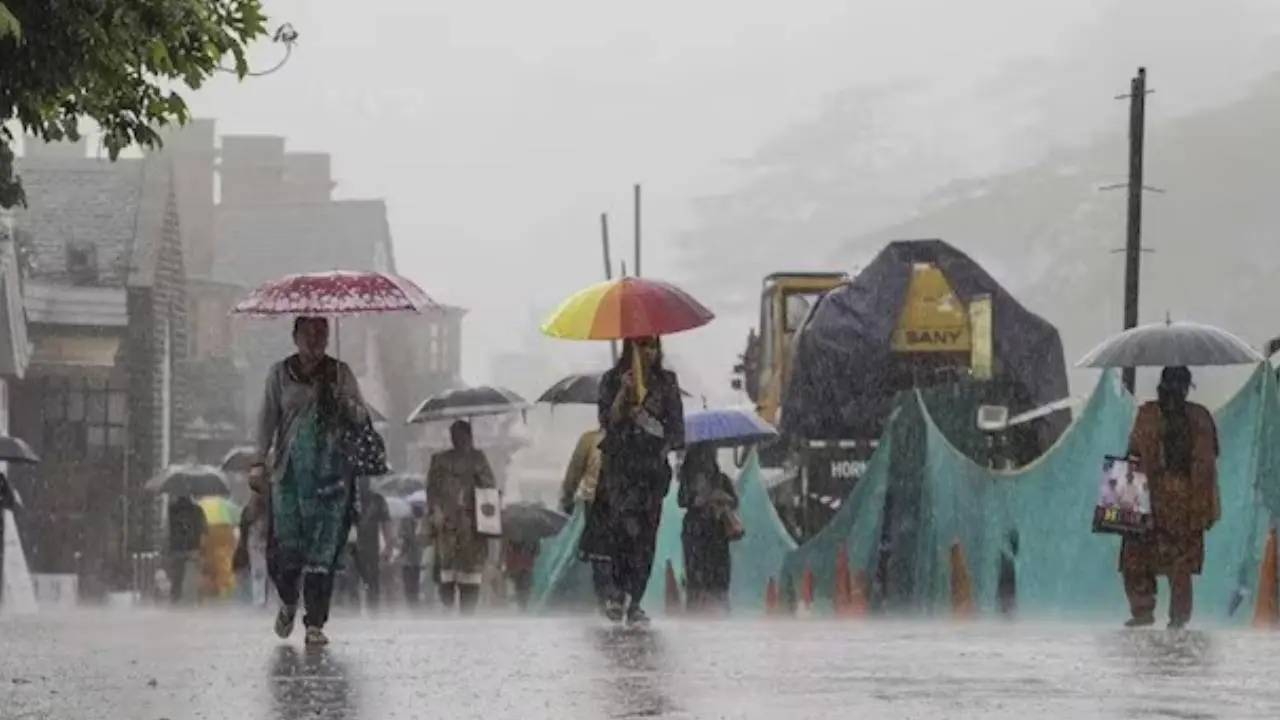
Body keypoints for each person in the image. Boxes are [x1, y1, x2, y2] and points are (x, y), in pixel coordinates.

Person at [250, 316, 368, 646]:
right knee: (286, 551)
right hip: (289, 475)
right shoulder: (279, 375)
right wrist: (259, 460)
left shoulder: (340, 374)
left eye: (322, 333)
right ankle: (288, 600)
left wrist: (343, 403)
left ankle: (315, 621)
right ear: (295, 336)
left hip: (330, 478)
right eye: (309, 334)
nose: (316, 340)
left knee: (323, 551)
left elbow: (362, 418)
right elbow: (266, 420)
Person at [581, 337, 685, 627]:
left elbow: (676, 431)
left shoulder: (666, 383)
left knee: (645, 539)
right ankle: (614, 595)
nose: (648, 353)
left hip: (650, 474)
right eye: (641, 346)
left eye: (652, 346)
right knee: (618, 533)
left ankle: (634, 599)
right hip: (619, 471)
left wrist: (655, 435)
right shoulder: (613, 380)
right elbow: (607, 422)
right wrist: (623, 396)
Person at [1120, 366, 1219, 629]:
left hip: (1159, 496)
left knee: (1147, 555)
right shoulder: (1196, 418)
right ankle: (1171, 616)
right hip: (1173, 497)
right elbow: (1207, 461)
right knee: (1171, 559)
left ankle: (1148, 611)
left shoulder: (1151, 415)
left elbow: (1133, 452)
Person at [427, 420, 497, 614]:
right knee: (446, 571)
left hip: (471, 526)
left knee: (470, 573)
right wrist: (436, 511)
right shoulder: (439, 460)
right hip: (447, 525)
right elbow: (431, 490)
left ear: (469, 436)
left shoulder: (478, 459)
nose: (457, 440)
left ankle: (468, 612)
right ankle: (447, 603)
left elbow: (489, 488)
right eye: (454, 435)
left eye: (461, 435)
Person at [677, 442, 739, 613]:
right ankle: (697, 605)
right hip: (696, 533)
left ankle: (717, 606)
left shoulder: (721, 479)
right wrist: (700, 500)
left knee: (717, 576)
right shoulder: (689, 481)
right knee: (697, 575)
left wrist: (721, 499)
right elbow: (682, 500)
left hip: (716, 532)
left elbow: (734, 501)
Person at [559, 425, 612, 610]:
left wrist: (567, 497)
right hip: (601, 501)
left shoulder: (590, 439)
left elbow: (575, 470)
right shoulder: (591, 440)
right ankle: (608, 595)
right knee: (605, 551)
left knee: (602, 551)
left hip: (603, 501)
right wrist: (567, 495)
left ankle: (606, 595)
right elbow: (575, 470)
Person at [167, 495, 206, 605]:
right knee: (194, 575)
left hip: (176, 547)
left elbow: (169, 529)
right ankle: (194, 599)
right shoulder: (198, 510)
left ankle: (175, 598)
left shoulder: (172, 509)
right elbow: (204, 528)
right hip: (193, 547)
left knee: (176, 575)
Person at [399, 509, 426, 607]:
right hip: (408, 560)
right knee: (409, 586)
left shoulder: (426, 521)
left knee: (416, 586)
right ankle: (411, 605)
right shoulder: (406, 520)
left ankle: (415, 605)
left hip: (420, 560)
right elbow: (401, 538)